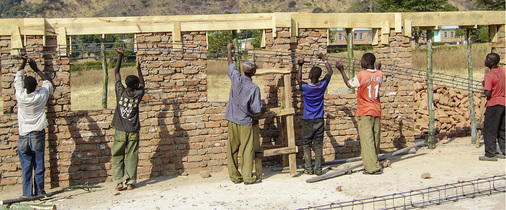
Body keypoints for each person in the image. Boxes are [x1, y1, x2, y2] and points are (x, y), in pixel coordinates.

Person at [335, 53, 383, 175]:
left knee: (367, 140)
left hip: (365, 110)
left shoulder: (361, 75)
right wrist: (377, 68)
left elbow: (349, 84)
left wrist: (341, 70)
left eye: (361, 60)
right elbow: (375, 76)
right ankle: (374, 161)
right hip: (376, 109)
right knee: (375, 138)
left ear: (366, 63)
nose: (360, 62)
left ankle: (372, 168)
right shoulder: (380, 74)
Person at [14, 56, 54, 197]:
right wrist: (36, 69)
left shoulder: (20, 96)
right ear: (36, 86)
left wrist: (23, 62)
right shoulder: (40, 95)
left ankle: (27, 194)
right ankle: (39, 192)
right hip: (37, 134)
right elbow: (48, 82)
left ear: (25, 87)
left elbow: (17, 78)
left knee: (26, 166)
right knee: (38, 164)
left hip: (23, 135)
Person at [225, 43, 262, 185]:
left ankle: (235, 177)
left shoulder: (235, 78)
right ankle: (248, 178)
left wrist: (229, 50)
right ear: (253, 73)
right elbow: (256, 109)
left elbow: (230, 64)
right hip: (245, 122)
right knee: (247, 150)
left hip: (232, 119)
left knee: (232, 149)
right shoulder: (254, 88)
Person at [111, 48, 145, 190]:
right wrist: (139, 69)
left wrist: (121, 56)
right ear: (136, 86)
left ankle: (119, 182)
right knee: (132, 155)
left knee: (118, 155)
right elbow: (143, 85)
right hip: (132, 131)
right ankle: (130, 182)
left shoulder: (120, 91)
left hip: (120, 130)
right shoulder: (138, 95)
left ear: (126, 84)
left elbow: (116, 72)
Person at [296, 53, 333, 176]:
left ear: (310, 75)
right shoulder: (322, 86)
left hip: (308, 120)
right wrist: (324, 59)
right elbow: (330, 72)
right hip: (319, 120)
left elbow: (299, 80)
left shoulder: (306, 88)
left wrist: (300, 66)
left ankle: (308, 168)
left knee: (306, 144)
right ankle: (318, 169)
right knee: (318, 145)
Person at [479, 53, 505, 161]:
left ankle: (490, 154)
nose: (485, 61)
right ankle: (504, 151)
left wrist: (484, 86)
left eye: (487, 59)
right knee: (502, 129)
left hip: (494, 104)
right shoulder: (503, 71)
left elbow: (488, 93)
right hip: (504, 103)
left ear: (492, 62)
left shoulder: (489, 75)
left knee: (489, 129)